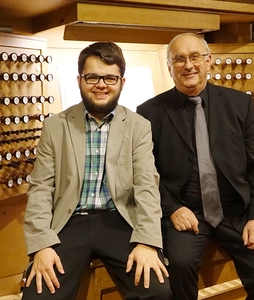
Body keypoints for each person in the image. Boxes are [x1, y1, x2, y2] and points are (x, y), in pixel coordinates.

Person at [21, 41, 172, 300]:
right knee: (39, 296)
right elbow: (41, 188)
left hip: (119, 220)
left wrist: (147, 242)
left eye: (110, 78)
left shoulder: (138, 126)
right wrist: (41, 244)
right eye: (92, 77)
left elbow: (147, 186)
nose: (101, 85)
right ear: (80, 80)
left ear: (122, 82)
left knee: (157, 291)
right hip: (69, 221)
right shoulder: (55, 126)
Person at [137, 32, 254, 300]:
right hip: (187, 214)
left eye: (195, 57)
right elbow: (143, 173)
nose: (188, 65)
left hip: (237, 211)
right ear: (169, 67)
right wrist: (172, 207)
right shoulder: (148, 112)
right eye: (178, 59)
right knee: (179, 264)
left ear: (209, 61)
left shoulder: (241, 104)